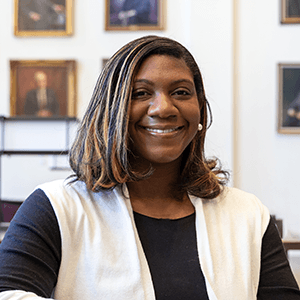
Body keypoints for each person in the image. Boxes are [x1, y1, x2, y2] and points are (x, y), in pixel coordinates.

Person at [0, 35, 299, 299]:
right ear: (111, 111)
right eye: (141, 94)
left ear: (200, 112)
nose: (164, 108)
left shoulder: (247, 214)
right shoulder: (56, 207)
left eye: (181, 92)